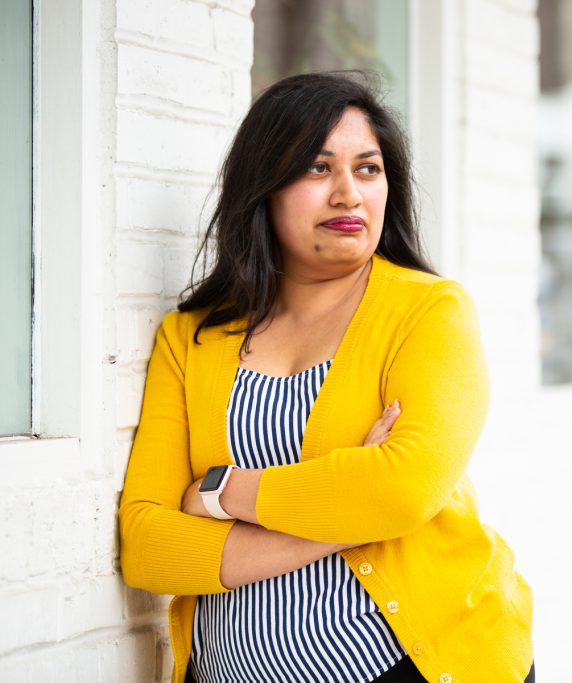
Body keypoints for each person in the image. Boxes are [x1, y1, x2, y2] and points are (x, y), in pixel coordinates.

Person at [118, 72, 534, 683]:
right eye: (317, 168)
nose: (348, 193)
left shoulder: (429, 312)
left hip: (414, 664)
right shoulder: (190, 338)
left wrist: (224, 491)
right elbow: (149, 547)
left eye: (368, 169)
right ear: (263, 187)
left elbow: (401, 492)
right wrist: (336, 527)